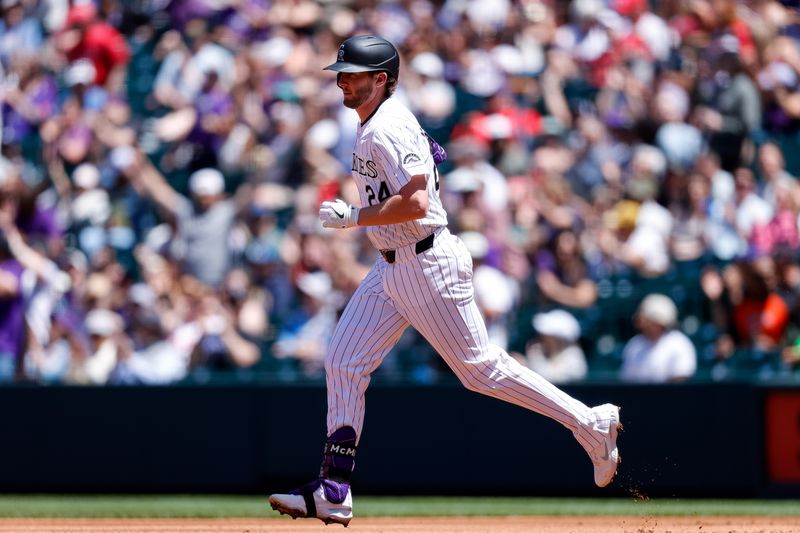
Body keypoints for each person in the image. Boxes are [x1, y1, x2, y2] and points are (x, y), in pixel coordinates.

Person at [268, 35, 623, 527]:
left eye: (352, 73)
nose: (342, 79)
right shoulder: (379, 122)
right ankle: (334, 487)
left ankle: (591, 423)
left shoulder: (386, 126)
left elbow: (416, 204)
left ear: (382, 79)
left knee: (481, 371)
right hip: (393, 265)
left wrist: (354, 216)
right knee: (344, 362)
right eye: (341, 72)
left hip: (425, 260)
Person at [619, 293, 697, 383]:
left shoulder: (679, 343)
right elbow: (627, 383)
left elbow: (681, 382)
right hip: (639, 396)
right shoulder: (634, 344)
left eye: (647, 319)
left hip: (670, 396)